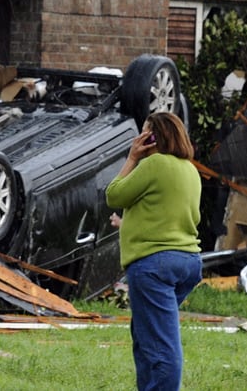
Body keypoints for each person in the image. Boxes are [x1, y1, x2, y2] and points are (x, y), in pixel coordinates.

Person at [105, 111, 203, 391]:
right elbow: (180, 217)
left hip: (154, 265)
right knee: (146, 335)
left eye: (144, 133)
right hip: (187, 261)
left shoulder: (154, 164)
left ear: (151, 137)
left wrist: (132, 157)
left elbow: (114, 195)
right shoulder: (190, 170)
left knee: (160, 346)